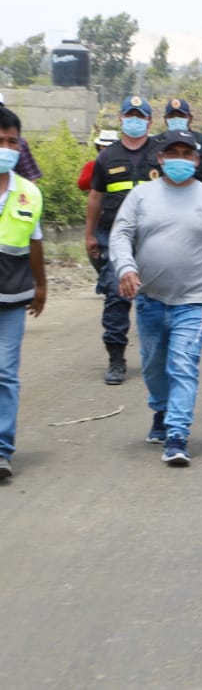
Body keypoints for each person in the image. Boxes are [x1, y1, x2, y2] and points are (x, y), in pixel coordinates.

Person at [109, 130, 202, 466]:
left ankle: (177, 434)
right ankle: (161, 410)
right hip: (149, 298)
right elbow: (121, 234)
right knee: (153, 365)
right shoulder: (141, 196)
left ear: (196, 159)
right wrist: (125, 268)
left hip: (192, 302)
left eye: (186, 153)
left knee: (183, 366)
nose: (180, 158)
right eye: (172, 152)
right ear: (161, 158)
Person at [86, 96, 161, 385]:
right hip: (114, 239)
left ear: (149, 121)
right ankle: (116, 359)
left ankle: (157, 355)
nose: (134, 120)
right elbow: (95, 197)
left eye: (140, 116)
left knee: (155, 299)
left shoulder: (161, 154)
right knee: (116, 298)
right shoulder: (107, 157)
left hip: (154, 239)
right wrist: (89, 234)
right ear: (120, 119)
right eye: (129, 115)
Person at [0, 107, 47, 479]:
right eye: (0, 141)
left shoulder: (29, 193)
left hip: (13, 297)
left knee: (5, 373)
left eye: (12, 141)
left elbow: (34, 243)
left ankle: (2, 449)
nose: (6, 147)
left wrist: (41, 285)